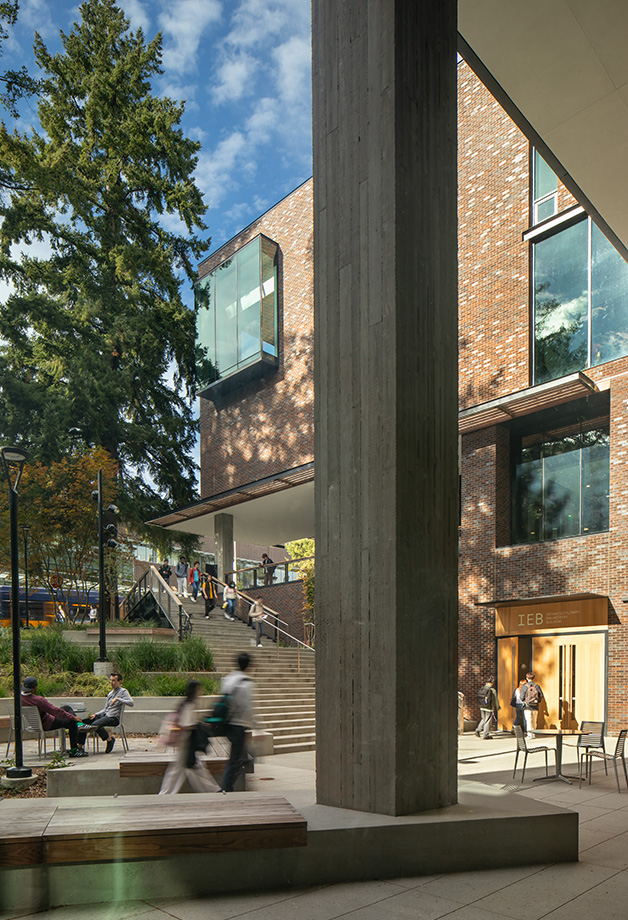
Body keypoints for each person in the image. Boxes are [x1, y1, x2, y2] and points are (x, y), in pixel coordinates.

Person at [159, 680, 222, 795]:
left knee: (192, 767)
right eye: (199, 689)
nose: (201, 692)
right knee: (180, 769)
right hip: (186, 742)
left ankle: (213, 789)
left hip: (186, 742)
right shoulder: (188, 705)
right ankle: (165, 793)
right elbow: (187, 724)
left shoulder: (185, 704)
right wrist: (200, 725)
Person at [20, 676, 83, 756]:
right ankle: (74, 750)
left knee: (66, 708)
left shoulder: (19, 698)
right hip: (47, 724)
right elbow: (55, 711)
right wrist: (73, 717)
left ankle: (79, 724)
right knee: (72, 722)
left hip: (34, 725)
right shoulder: (38, 700)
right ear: (35, 687)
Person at [221, 652, 257, 792]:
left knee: (239, 754)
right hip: (238, 725)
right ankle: (226, 787)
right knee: (235, 758)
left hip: (228, 723)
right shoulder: (246, 683)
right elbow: (246, 706)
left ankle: (246, 759)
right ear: (248, 665)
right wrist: (255, 725)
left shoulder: (229, 678)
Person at [76, 672, 133, 755]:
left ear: (120, 682)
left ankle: (109, 740)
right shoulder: (110, 693)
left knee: (95, 725)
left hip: (114, 718)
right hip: (105, 716)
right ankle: (80, 747)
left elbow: (131, 703)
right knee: (83, 723)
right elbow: (105, 709)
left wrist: (118, 699)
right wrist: (96, 714)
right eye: (111, 680)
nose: (112, 683)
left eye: (114, 681)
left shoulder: (123, 692)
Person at [521, 671, 544, 738]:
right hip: (535, 706)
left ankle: (530, 734)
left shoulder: (524, 687)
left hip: (527, 706)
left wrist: (525, 701)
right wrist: (537, 701)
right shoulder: (537, 686)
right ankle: (533, 733)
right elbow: (541, 695)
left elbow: (522, 697)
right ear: (533, 678)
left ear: (527, 678)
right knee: (534, 721)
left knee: (529, 720)